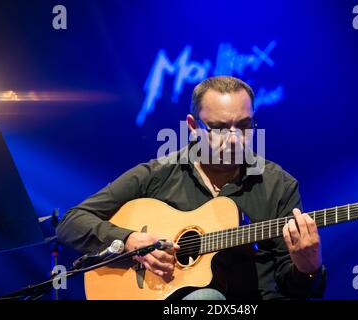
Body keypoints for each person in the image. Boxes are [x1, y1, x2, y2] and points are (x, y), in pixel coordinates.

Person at [56, 76, 326, 300]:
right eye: (220, 129)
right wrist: (129, 240)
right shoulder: (157, 174)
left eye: (244, 126)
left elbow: (299, 290)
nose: (234, 140)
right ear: (193, 126)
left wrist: (308, 268)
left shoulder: (278, 184)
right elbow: (71, 222)